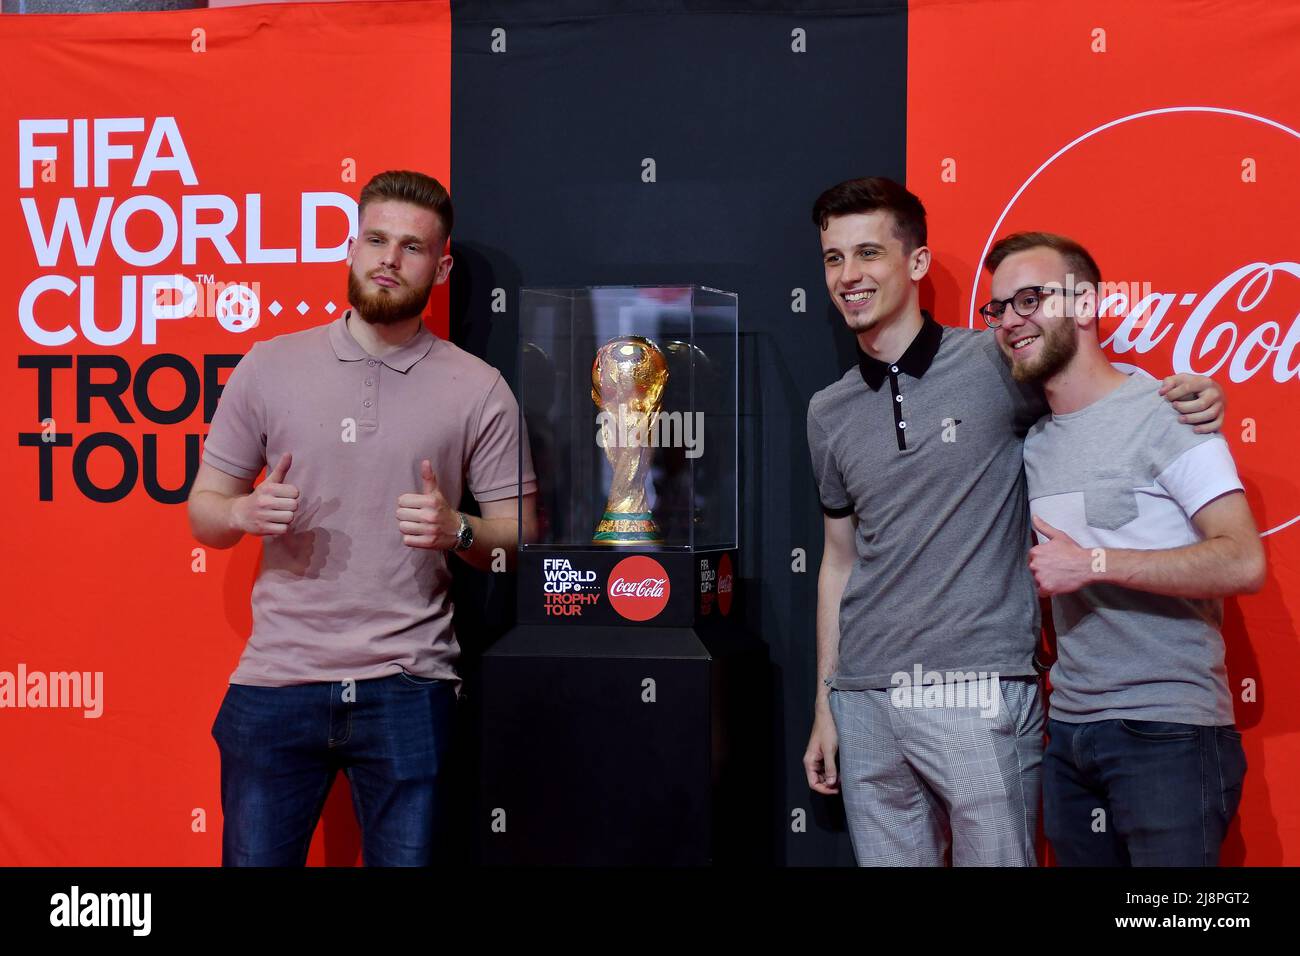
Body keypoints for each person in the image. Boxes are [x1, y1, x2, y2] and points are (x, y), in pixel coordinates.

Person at [801, 177, 1225, 866]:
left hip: (980, 688)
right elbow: (839, 560)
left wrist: (1187, 394)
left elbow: (1094, 392)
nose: (849, 276)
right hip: (864, 701)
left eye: (868, 253)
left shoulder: (997, 360)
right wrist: (827, 702)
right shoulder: (828, 410)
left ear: (914, 264)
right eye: (833, 258)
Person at [187, 169, 538, 866]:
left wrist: (458, 530)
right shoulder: (269, 365)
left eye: (410, 248)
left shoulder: (479, 388)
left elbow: (521, 535)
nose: (388, 258)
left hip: (410, 684)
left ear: (438, 271)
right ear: (350, 248)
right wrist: (244, 510)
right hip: (277, 680)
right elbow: (204, 512)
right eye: (375, 239)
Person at [983, 231, 1263, 866]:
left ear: (1086, 305)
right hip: (1072, 734)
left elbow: (1242, 560)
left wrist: (1095, 564)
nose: (1009, 321)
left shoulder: (1166, 414)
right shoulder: (1036, 442)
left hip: (1170, 730)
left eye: (1030, 299)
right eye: (998, 308)